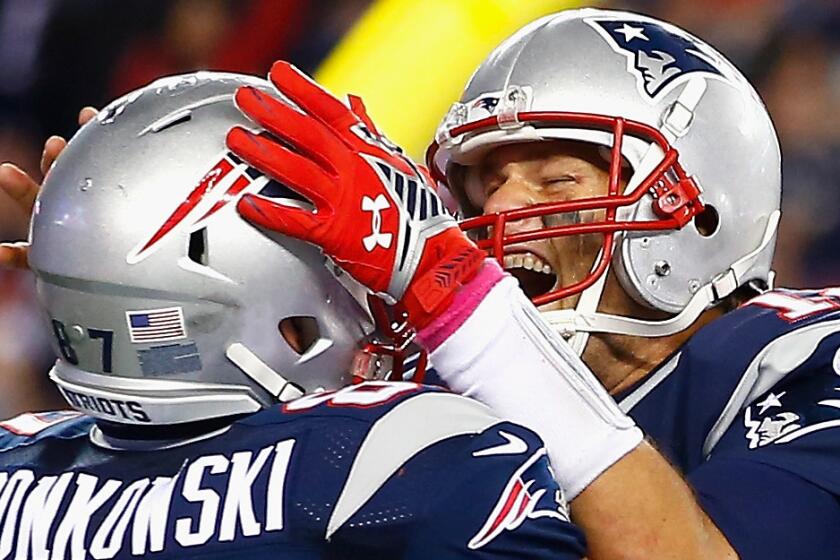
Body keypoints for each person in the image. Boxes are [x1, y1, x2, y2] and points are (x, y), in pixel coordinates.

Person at [224, 8, 840, 560]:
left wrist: (453, 293)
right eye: (484, 186)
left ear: (700, 216)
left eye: (558, 179)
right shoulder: (442, 388)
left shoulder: (802, 358)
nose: (502, 208)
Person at [0, 72, 586, 559]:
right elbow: (661, 544)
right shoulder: (398, 459)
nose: (381, 294)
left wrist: (93, 276)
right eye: (347, 265)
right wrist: (455, 291)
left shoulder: (17, 470)